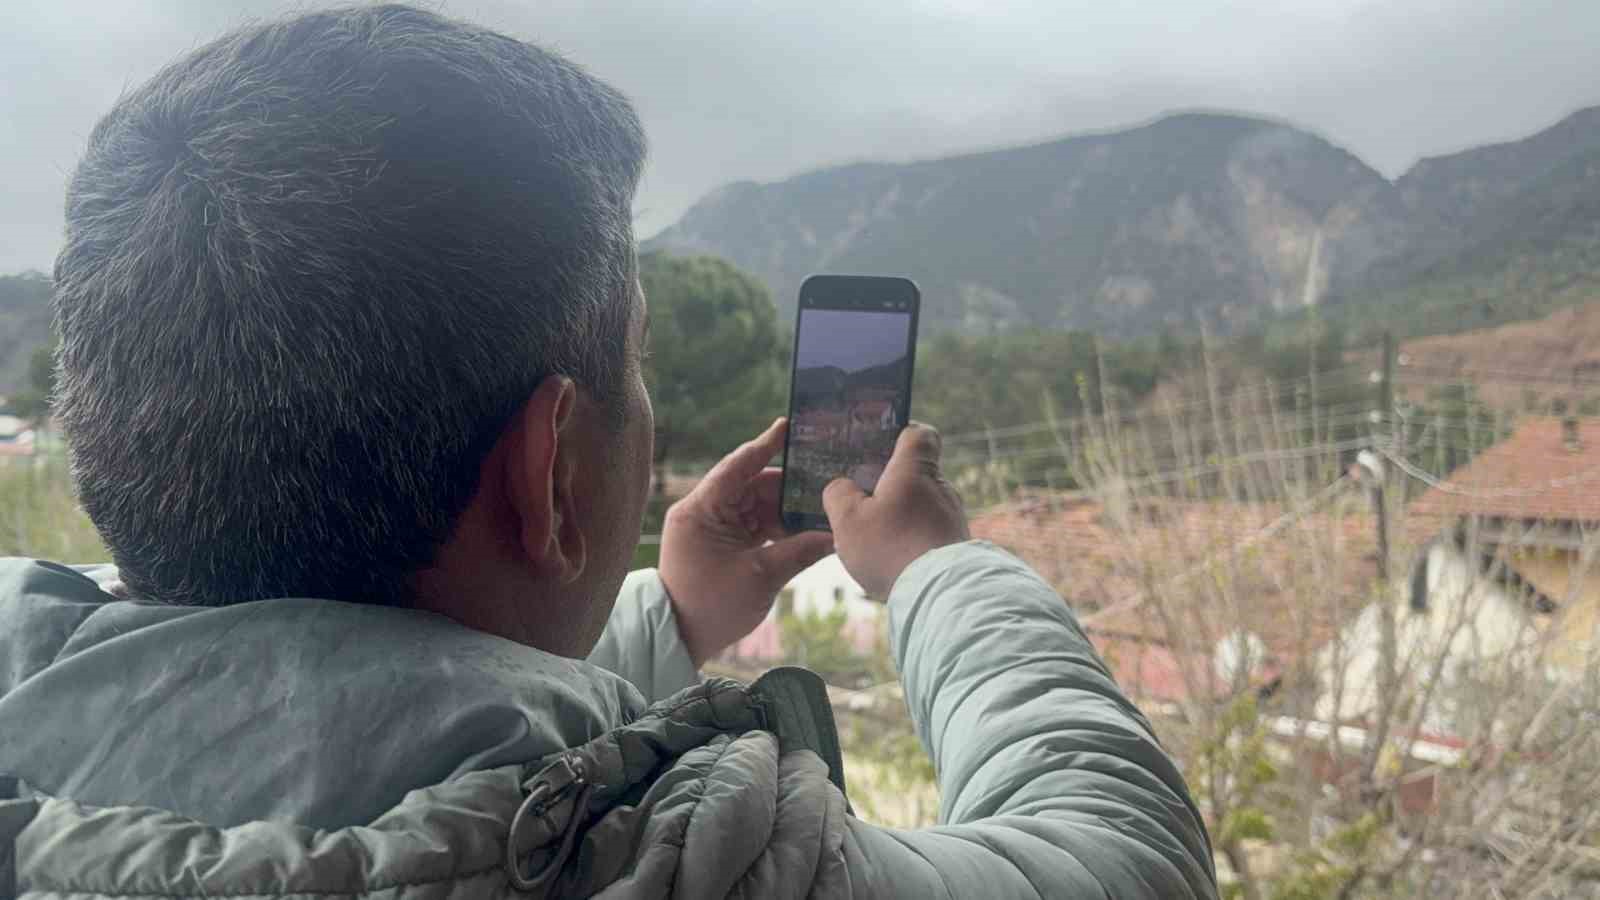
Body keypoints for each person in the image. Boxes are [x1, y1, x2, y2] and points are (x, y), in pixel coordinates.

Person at [0, 6, 1217, 897]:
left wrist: (670, 615)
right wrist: (939, 572)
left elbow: (331, 717)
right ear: (550, 479)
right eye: (633, 363)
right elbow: (1125, 856)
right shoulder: (696, 867)